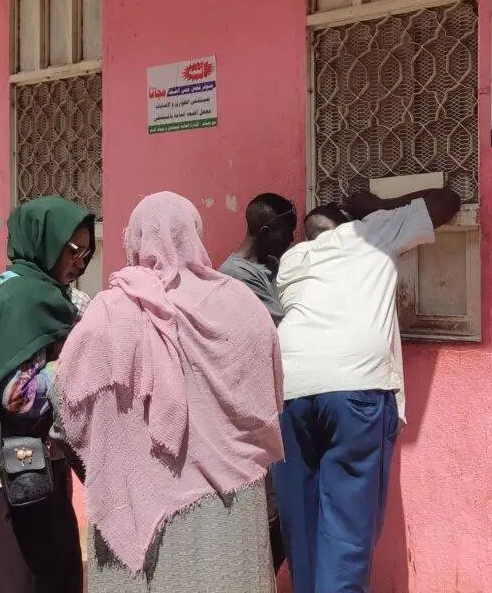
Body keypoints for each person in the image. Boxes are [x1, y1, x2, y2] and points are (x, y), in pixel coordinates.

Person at [49, 192, 285, 592]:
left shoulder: (111, 312)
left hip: (139, 510)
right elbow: (271, 392)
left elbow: (67, 401)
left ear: (135, 240)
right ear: (194, 234)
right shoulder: (241, 303)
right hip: (229, 510)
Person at [272, 185, 462, 593]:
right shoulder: (371, 231)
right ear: (348, 224)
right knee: (347, 530)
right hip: (355, 387)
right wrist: (375, 207)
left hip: (290, 389)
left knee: (302, 526)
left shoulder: (292, 260)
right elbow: (448, 202)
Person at [0, 196, 95, 593]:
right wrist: (77, 367)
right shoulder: (28, 299)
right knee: (23, 575)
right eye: (73, 250)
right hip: (15, 475)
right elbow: (17, 395)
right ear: (44, 240)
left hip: (18, 468)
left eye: (87, 252)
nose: (81, 262)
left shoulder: (10, 288)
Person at [219, 192, 297, 572]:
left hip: (270, 411)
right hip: (249, 416)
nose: (292, 240)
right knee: (269, 521)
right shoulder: (234, 280)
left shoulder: (264, 270)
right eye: (287, 232)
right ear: (266, 230)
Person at [220, 193, 298, 325]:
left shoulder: (272, 264)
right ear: (265, 233)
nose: (291, 239)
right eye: (286, 232)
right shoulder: (237, 274)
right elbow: (281, 325)